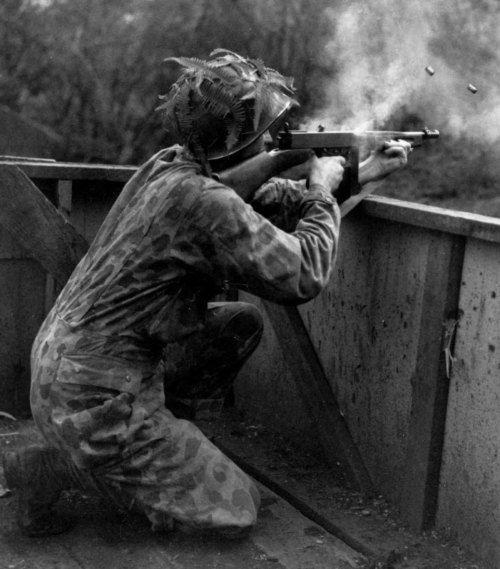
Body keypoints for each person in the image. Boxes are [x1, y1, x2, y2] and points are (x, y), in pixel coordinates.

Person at [2, 49, 411, 539]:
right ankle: (54, 467)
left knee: (238, 323)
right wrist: (322, 191)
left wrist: (360, 173)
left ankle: (154, 444)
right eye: (264, 134)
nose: (270, 140)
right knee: (236, 507)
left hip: (71, 368)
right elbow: (303, 274)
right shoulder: (202, 202)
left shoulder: (169, 166)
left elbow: (258, 200)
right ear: (238, 141)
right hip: (96, 395)